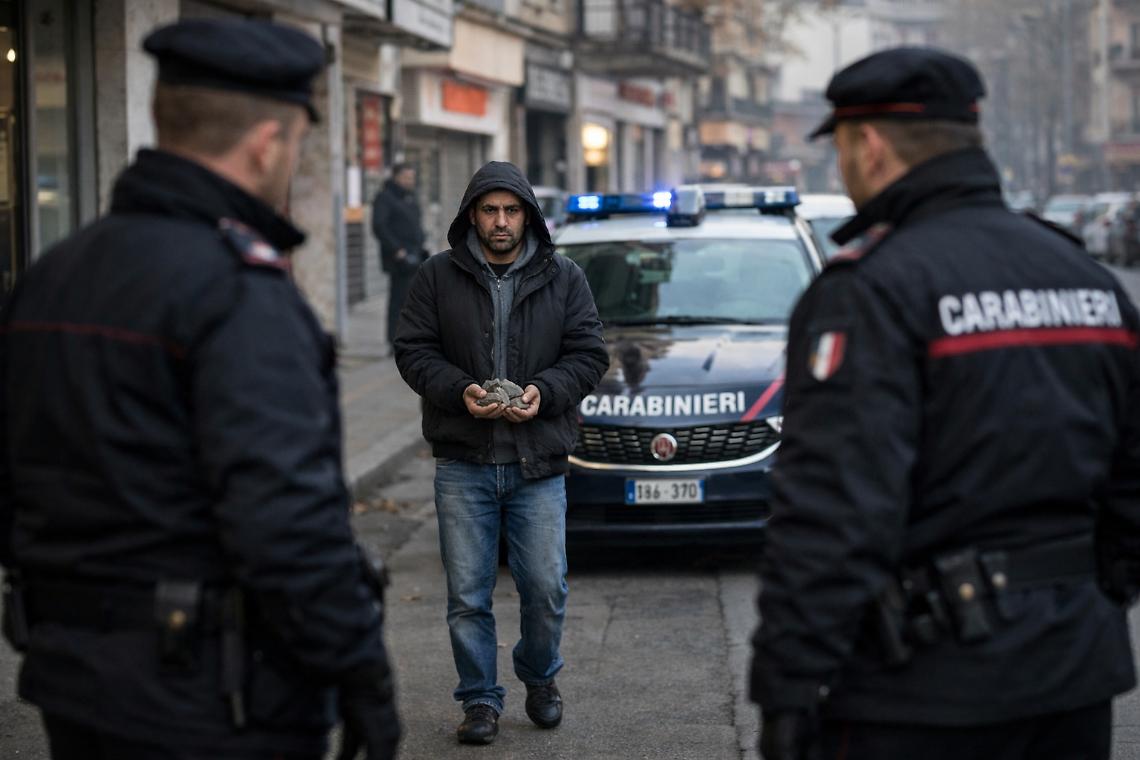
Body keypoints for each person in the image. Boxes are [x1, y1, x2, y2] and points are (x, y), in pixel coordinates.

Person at [0, 18, 400, 760]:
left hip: (73, 684)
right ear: (266, 144)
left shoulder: (52, 275)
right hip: (217, 702)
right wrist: (361, 674)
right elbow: (287, 522)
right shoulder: (239, 293)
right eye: (298, 143)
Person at [749, 47, 1140, 760]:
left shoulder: (871, 289)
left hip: (920, 688)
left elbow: (833, 512)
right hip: (1075, 673)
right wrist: (1096, 591)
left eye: (841, 147)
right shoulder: (1085, 277)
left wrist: (788, 687)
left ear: (869, 145)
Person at [393, 161, 608, 745]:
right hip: (463, 463)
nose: (501, 222)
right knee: (467, 595)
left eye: (511, 211)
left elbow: (589, 354)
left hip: (538, 464)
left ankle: (540, 676)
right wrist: (460, 391)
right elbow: (413, 350)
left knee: (546, 588)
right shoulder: (437, 276)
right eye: (489, 211)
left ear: (528, 216)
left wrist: (544, 392)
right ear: (472, 216)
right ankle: (480, 699)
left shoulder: (565, 277)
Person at [371, 163, 426, 354]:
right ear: (396, 177)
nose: (410, 181)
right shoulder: (385, 197)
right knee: (399, 301)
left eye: (412, 177)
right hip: (400, 260)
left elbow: (415, 224)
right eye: (406, 177)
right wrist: (397, 250)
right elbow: (379, 226)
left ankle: (411, 339)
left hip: (415, 255)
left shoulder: (409, 197)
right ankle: (394, 341)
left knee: (415, 301)